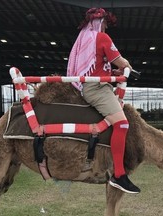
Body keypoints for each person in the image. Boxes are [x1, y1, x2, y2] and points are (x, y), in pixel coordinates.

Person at [67, 8, 140, 194]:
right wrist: (128, 67)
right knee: (122, 125)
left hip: (92, 87)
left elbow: (97, 66)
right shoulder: (102, 38)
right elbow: (121, 61)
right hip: (98, 89)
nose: (106, 27)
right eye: (105, 23)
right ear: (100, 22)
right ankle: (119, 174)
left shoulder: (85, 40)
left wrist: (112, 73)